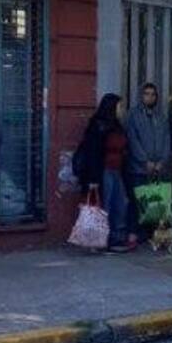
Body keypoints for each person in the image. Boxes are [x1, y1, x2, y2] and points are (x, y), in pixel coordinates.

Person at [74, 94, 132, 252]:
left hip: (117, 170)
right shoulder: (98, 125)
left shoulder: (118, 126)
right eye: (120, 106)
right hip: (103, 171)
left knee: (120, 203)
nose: (122, 110)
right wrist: (93, 178)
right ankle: (100, 240)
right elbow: (92, 153)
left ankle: (115, 239)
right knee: (104, 205)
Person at [125, 82, 171, 239]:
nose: (150, 97)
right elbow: (133, 140)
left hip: (158, 168)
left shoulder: (161, 117)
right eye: (147, 94)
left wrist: (162, 161)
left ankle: (155, 235)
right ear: (141, 96)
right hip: (139, 168)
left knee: (158, 202)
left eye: (153, 94)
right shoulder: (133, 115)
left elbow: (166, 140)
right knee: (137, 202)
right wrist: (145, 161)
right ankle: (134, 234)